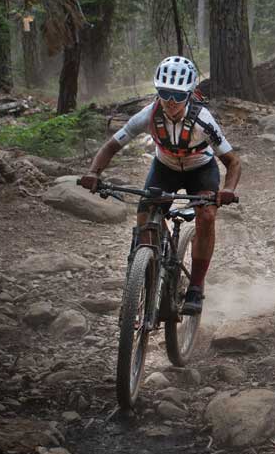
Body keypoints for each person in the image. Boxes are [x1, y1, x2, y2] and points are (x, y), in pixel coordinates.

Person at [80, 56, 241, 315]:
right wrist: (93, 173)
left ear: (189, 94)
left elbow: (233, 162)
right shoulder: (148, 115)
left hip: (200, 169)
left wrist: (229, 189)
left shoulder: (203, 120)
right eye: (165, 93)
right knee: (144, 216)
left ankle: (196, 287)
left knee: (207, 215)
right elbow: (112, 145)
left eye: (178, 95)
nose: (171, 101)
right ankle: (149, 272)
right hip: (164, 168)